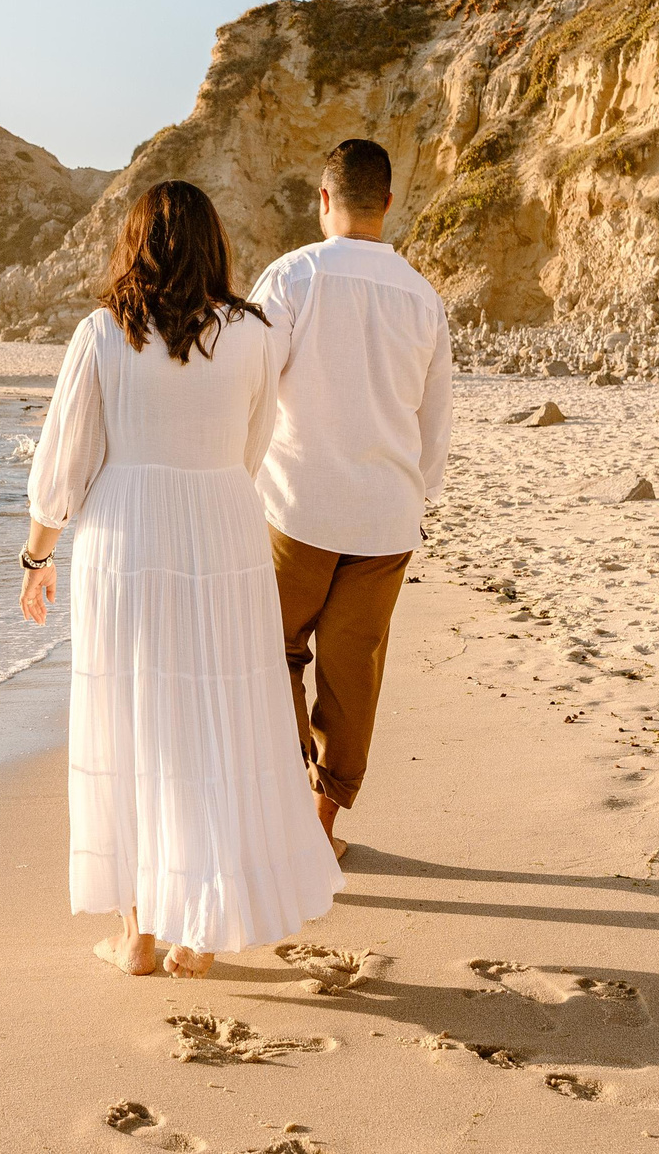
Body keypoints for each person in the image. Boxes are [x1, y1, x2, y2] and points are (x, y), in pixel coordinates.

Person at [18, 179, 343, 978]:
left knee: (133, 716)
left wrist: (37, 554)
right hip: (224, 525)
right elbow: (255, 443)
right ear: (214, 245)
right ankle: (198, 933)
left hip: (124, 535)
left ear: (133, 243)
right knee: (215, 717)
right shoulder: (256, 334)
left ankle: (136, 931)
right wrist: (210, 487)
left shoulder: (101, 333)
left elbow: (64, 461)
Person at [248, 139, 450, 860]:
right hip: (386, 516)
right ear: (389, 203)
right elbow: (435, 426)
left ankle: (273, 805)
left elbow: (253, 387)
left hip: (295, 506)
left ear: (323, 198)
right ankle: (319, 830)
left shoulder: (292, 276)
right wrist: (410, 496)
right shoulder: (423, 298)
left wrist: (242, 478)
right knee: (352, 671)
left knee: (265, 654)